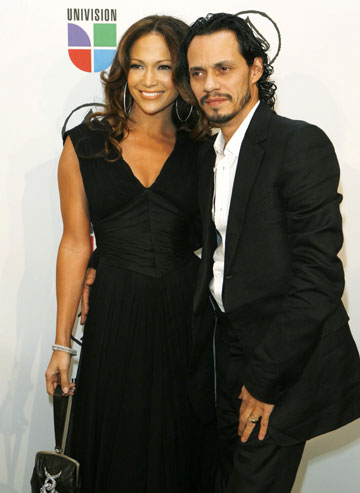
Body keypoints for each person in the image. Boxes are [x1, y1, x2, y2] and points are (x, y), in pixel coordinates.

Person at [176, 12, 360, 492]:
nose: (210, 85)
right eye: (198, 73)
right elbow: (196, 236)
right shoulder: (208, 155)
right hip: (224, 353)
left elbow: (319, 278)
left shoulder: (297, 144)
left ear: (255, 69)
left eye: (224, 69)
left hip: (283, 360)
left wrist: (263, 382)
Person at [45, 15, 216, 493]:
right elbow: (76, 241)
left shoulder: (204, 148)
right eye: (138, 66)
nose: (149, 81)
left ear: (183, 74)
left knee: (182, 442)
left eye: (164, 67)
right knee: (116, 441)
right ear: (122, 71)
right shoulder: (84, 145)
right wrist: (61, 344)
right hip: (115, 313)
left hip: (187, 314)